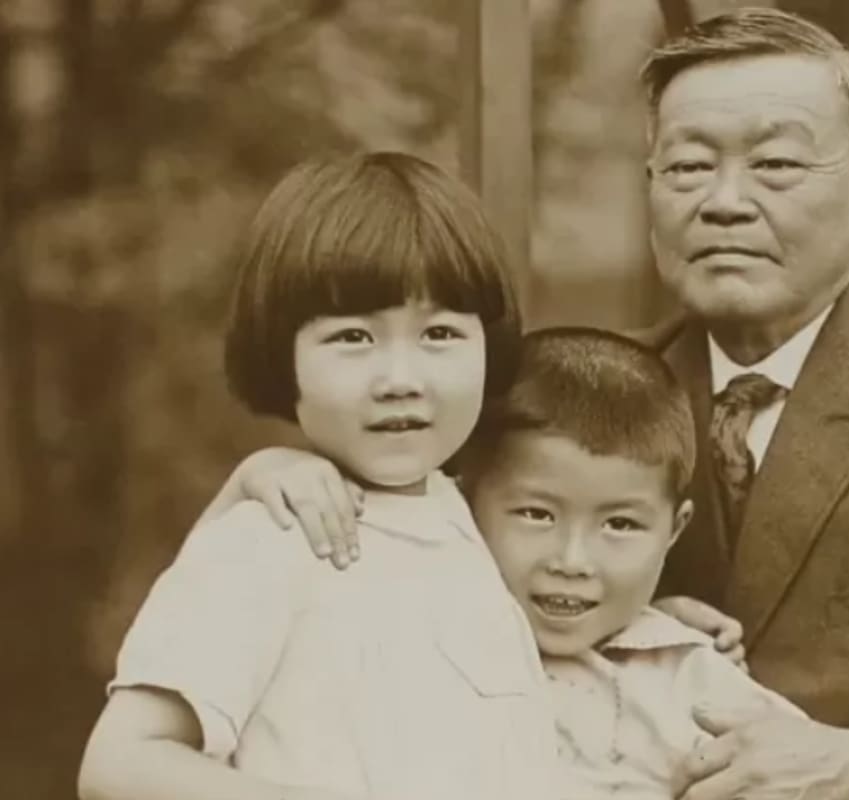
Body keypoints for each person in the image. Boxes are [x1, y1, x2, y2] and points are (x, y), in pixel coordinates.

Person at [201, 9, 849, 800]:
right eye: (690, 164)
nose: (725, 200)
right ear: (652, 186)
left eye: (777, 165)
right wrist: (283, 469)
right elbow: (403, 527)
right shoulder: (570, 396)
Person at [208, 325, 849, 799]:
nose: (572, 562)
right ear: (462, 498)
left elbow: (824, 785)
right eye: (534, 515)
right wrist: (264, 472)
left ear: (673, 532)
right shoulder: (410, 621)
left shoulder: (684, 675)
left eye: (619, 527)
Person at [77, 152, 556, 800]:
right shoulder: (275, 536)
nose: (401, 380)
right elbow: (120, 765)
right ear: (283, 357)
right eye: (354, 338)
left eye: (439, 333)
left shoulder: (471, 520)